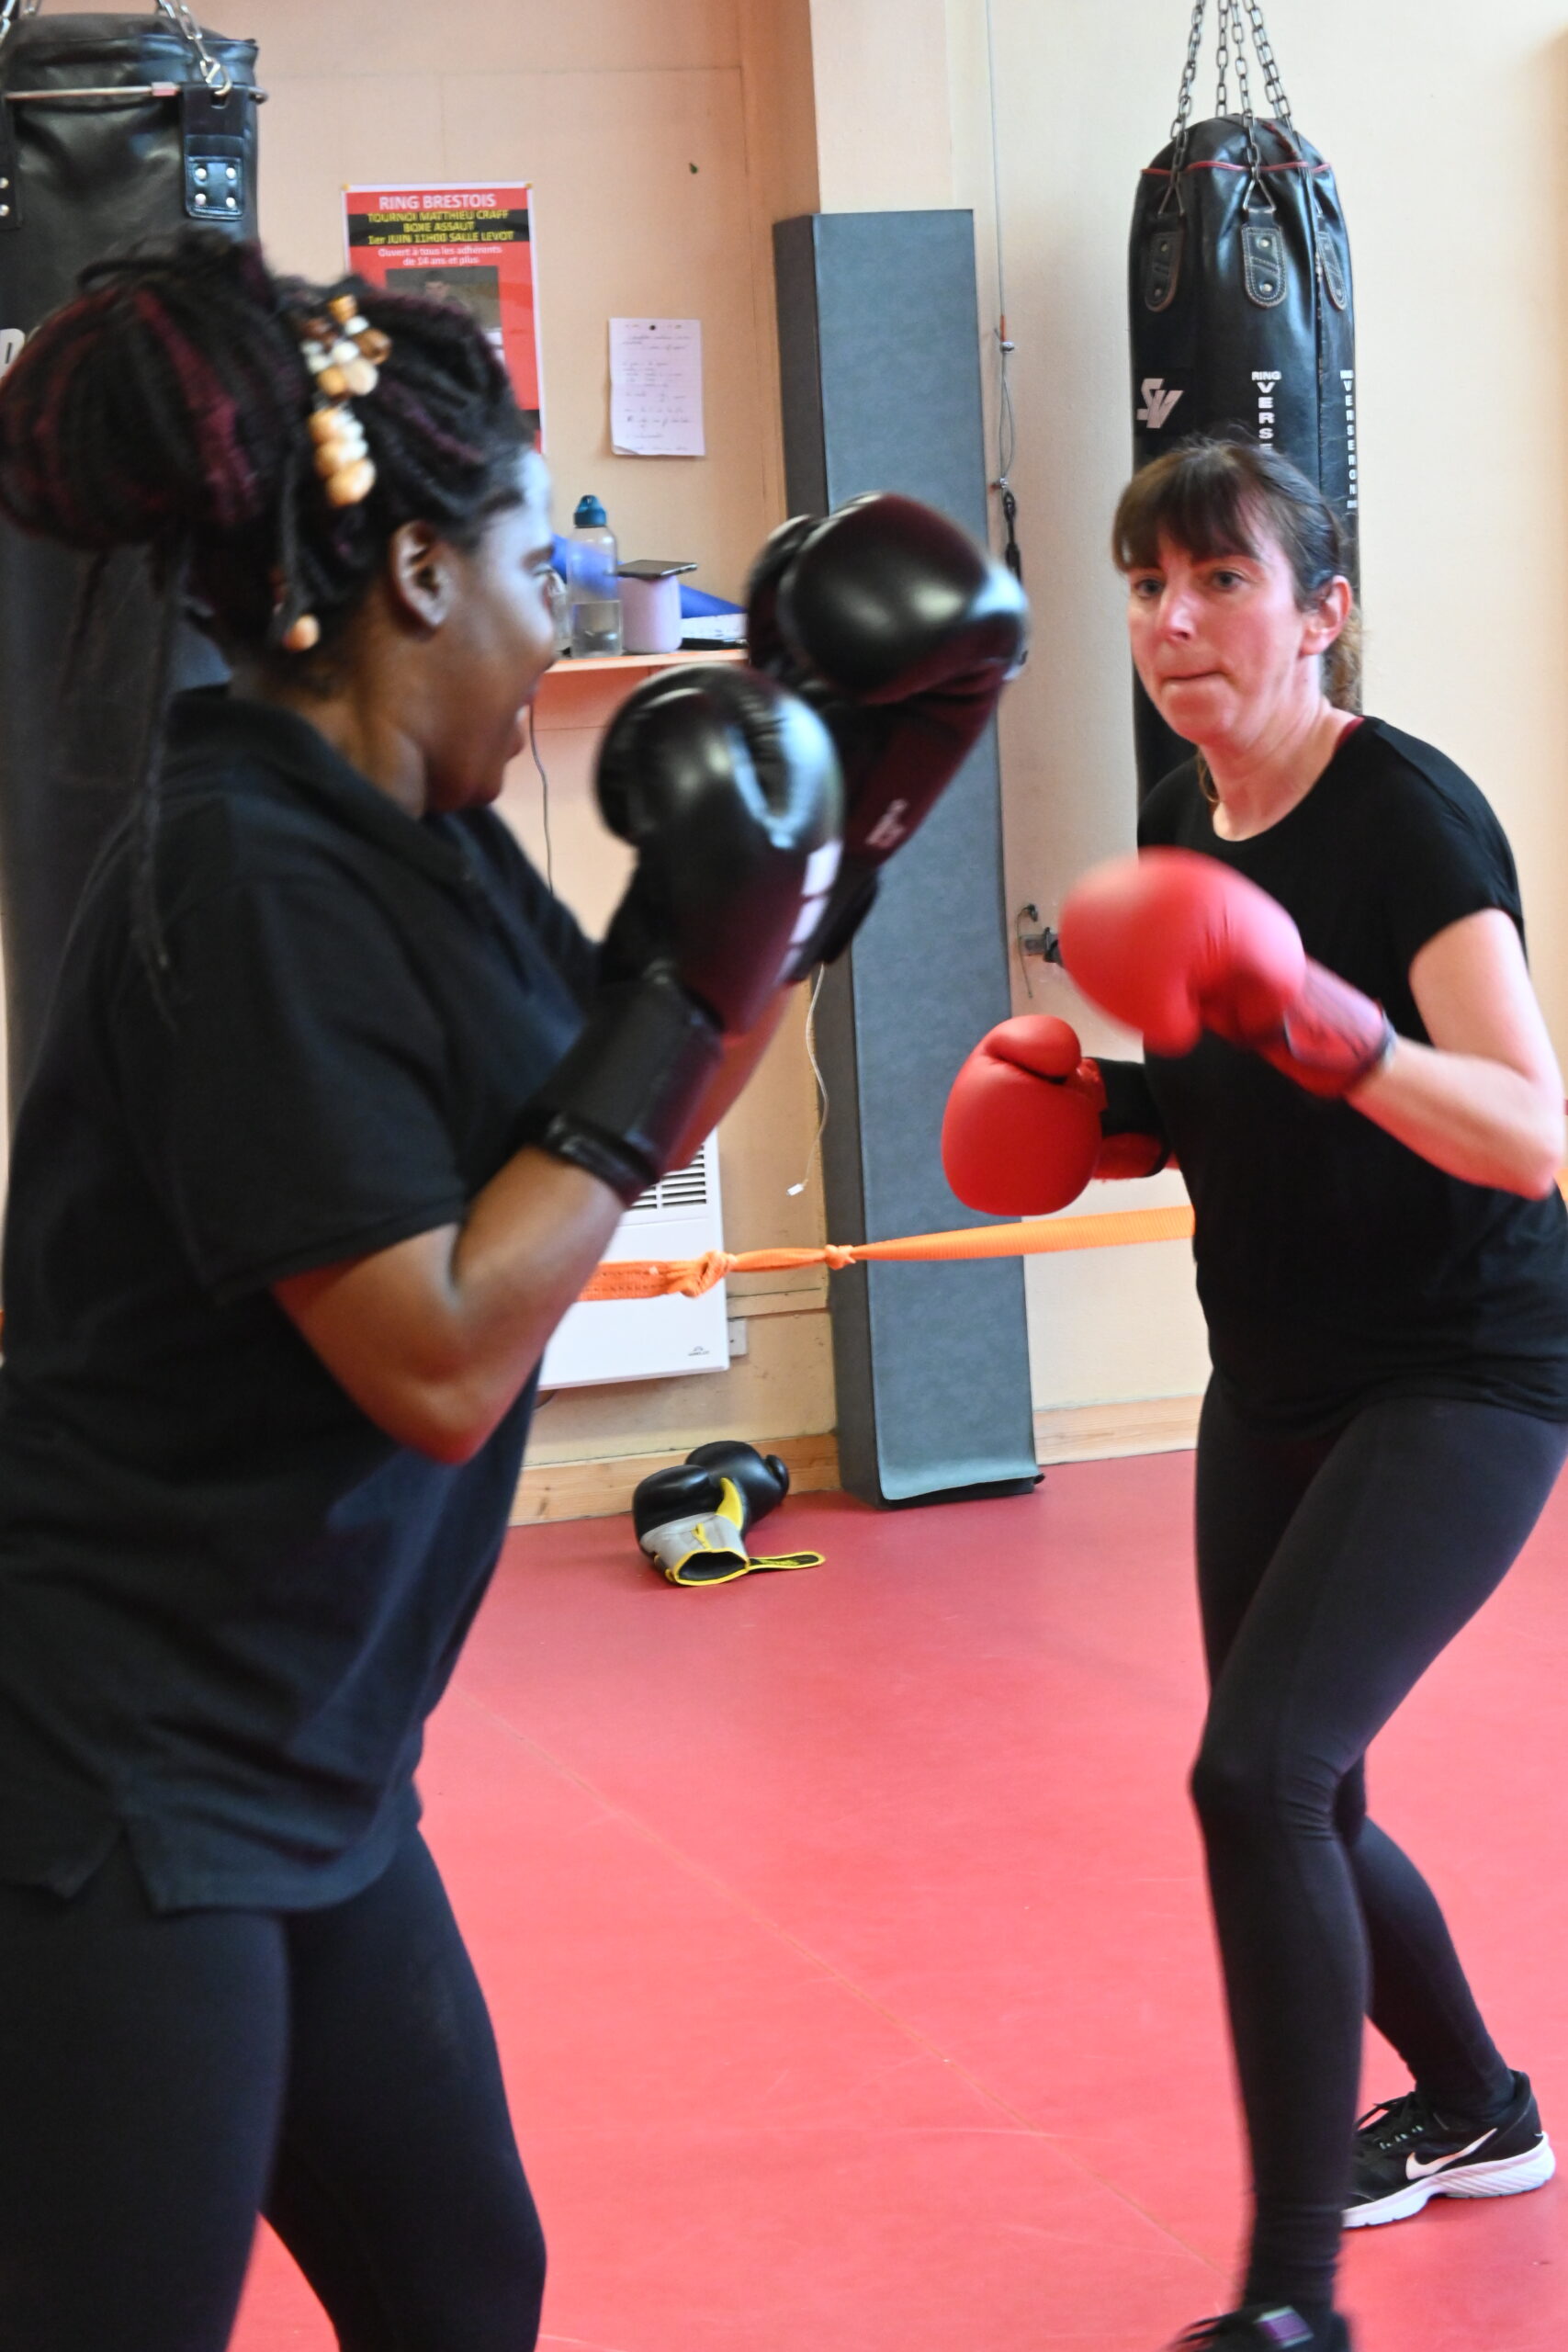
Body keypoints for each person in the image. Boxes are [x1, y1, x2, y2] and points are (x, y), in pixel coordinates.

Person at [0, 229, 1024, 2352]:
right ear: (414, 574)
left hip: (308, 1736)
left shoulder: (421, 830)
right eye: (530, 551)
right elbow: (443, 1352)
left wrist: (840, 841)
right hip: (116, 1772)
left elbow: (606, 1103)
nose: (558, 602)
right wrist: (689, 989)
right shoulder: (244, 871)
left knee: (463, 2281)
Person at [942, 436, 1568, 2352]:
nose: (1175, 622)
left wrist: (1337, 1028)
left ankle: (1289, 2300)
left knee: (1256, 1775)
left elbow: (1525, 1130)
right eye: (1146, 586)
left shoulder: (1408, 820)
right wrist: (1096, 1118)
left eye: (1222, 581)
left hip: (1462, 1362)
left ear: (1321, 612)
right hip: (1275, 1364)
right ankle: (1478, 2105)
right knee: (1311, 1790)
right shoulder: (1176, 819)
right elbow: (1237, 1095)